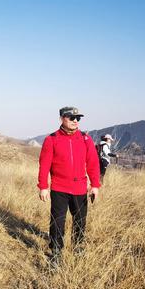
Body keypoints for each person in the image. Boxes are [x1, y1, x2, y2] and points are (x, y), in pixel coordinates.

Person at [37, 106, 101, 263]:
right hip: (59, 188)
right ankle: (56, 251)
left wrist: (95, 185)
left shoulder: (86, 139)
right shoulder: (51, 139)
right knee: (57, 221)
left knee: (80, 220)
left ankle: (78, 248)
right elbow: (44, 165)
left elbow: (93, 163)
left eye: (77, 118)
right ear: (61, 119)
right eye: (71, 118)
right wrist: (43, 186)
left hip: (80, 188)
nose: (75, 121)